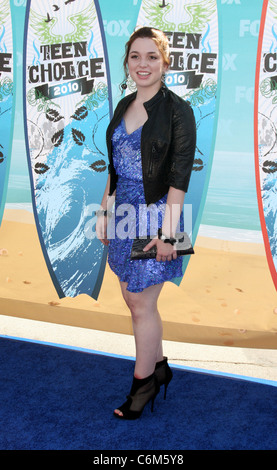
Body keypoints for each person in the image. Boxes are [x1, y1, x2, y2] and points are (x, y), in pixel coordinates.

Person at [96, 26, 196, 420]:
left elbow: (179, 177)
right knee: (133, 299)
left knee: (141, 302)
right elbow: (115, 168)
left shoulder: (179, 111)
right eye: (135, 56)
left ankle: (143, 385)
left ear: (165, 63)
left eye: (151, 57)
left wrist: (169, 233)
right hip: (123, 213)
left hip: (158, 215)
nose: (143, 64)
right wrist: (105, 211)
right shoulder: (123, 106)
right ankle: (159, 367)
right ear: (127, 62)